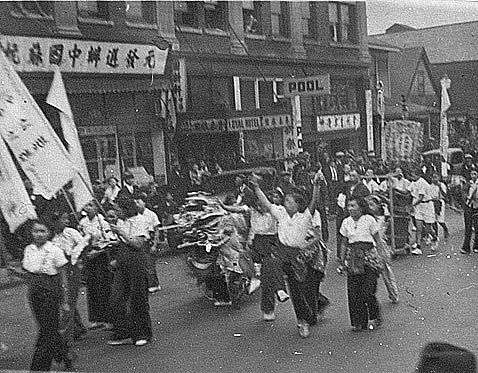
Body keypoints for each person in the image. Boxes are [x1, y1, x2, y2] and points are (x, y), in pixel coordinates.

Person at [250, 170, 325, 338]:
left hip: (297, 256)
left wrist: (317, 185)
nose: (286, 203)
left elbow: (314, 201)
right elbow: (266, 203)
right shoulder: (281, 213)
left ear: (297, 205)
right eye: (285, 200)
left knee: (298, 291)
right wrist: (255, 187)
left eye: (289, 201)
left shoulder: (305, 217)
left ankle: (304, 322)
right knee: (270, 262)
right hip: (281, 250)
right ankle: (279, 290)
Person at [22, 219, 72, 371]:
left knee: (47, 331)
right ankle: (65, 355)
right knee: (47, 327)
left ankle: (39, 367)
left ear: (49, 233)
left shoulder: (55, 250)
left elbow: (63, 277)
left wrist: (65, 300)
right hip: (34, 291)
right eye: (36, 231)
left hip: (50, 291)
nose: (39, 234)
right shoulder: (29, 249)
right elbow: (28, 271)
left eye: (42, 231)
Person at [108, 198, 153, 346]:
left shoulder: (140, 220)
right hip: (123, 261)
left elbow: (138, 244)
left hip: (136, 261)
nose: (115, 212)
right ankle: (123, 331)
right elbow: (124, 242)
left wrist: (121, 233)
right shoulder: (122, 222)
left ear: (126, 208)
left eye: (118, 209)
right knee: (116, 297)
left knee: (137, 297)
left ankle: (142, 333)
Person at [338, 198, 388, 332]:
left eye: (353, 205)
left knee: (368, 291)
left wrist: (382, 256)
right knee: (354, 292)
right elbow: (343, 242)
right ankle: (359, 322)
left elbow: (377, 240)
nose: (350, 208)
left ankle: (374, 315)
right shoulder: (346, 222)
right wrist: (342, 260)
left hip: (369, 257)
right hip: (353, 258)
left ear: (361, 207)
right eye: (349, 206)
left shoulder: (369, 220)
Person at [52, 212, 89, 345]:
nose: (66, 221)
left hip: (72, 268)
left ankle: (68, 332)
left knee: (70, 298)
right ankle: (78, 328)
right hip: (59, 270)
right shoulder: (52, 237)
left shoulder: (71, 232)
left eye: (67, 219)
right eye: (63, 219)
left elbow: (84, 244)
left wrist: (79, 259)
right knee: (64, 299)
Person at [78, 201, 113, 330]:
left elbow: (107, 240)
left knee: (104, 286)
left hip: (101, 256)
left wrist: (97, 250)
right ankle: (96, 318)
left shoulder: (102, 222)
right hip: (89, 256)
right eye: (86, 206)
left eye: (90, 206)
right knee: (92, 286)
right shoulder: (82, 223)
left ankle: (109, 318)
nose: (87, 208)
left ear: (96, 208)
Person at [367, 196, 399, 304]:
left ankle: (393, 292)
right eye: (368, 205)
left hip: (380, 247)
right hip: (370, 248)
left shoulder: (383, 218)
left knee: (386, 272)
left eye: (372, 205)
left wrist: (381, 197)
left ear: (378, 206)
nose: (370, 207)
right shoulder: (367, 219)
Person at [135, 193, 162, 293]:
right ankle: (146, 284)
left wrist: (155, 244)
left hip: (149, 241)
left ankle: (154, 284)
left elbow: (156, 230)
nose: (136, 204)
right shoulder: (135, 215)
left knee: (150, 264)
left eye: (138, 202)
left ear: (144, 203)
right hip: (140, 241)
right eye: (135, 202)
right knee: (142, 265)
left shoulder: (151, 214)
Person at [409, 170, 436, 255]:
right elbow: (407, 191)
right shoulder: (413, 182)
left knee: (428, 228)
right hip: (419, 207)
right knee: (419, 227)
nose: (411, 177)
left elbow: (421, 197)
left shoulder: (422, 183)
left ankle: (435, 238)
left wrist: (412, 205)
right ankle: (418, 247)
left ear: (418, 175)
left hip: (427, 206)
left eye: (413, 175)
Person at [461, 169, 478, 254]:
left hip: (477, 207)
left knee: (477, 227)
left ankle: (476, 246)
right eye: (472, 174)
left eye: (475, 174)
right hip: (469, 207)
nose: (473, 176)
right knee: (468, 228)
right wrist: (467, 198)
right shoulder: (467, 184)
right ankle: (466, 247)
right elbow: (463, 194)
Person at [430, 173, 450, 241]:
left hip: (440, 202)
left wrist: (440, 187)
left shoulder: (442, 185)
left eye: (436, 177)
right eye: (433, 177)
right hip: (432, 203)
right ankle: (436, 235)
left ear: (438, 178)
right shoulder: (430, 185)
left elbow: (445, 195)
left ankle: (445, 229)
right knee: (433, 220)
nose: (434, 179)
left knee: (440, 220)